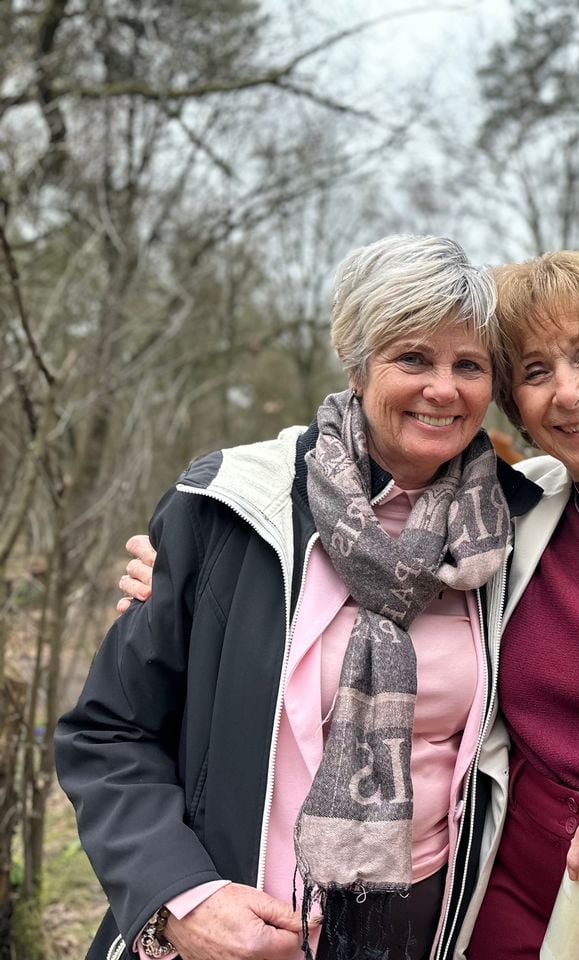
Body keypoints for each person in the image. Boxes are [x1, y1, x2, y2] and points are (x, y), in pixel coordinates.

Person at [115, 251, 579, 959]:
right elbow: (349, 524)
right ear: (513, 406)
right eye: (535, 372)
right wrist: (197, 577)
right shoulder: (509, 513)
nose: (568, 392)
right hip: (521, 896)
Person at [56, 235, 542, 960]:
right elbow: (108, 734)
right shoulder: (233, 509)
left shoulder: (514, 531)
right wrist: (185, 898)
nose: (444, 389)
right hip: (244, 930)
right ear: (356, 363)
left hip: (429, 930)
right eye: (413, 358)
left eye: (467, 365)